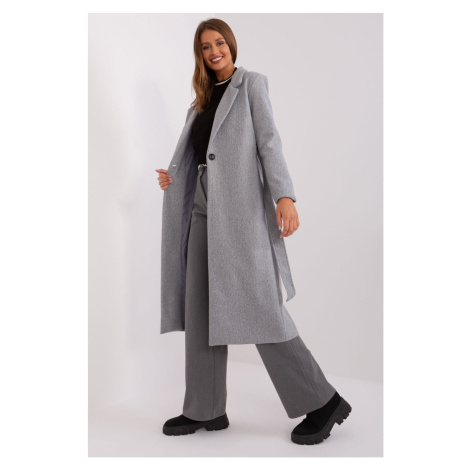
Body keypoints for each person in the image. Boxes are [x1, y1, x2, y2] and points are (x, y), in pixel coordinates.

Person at [155, 18, 351, 445]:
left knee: (261, 308)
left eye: (219, 43)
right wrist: (174, 177)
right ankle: (205, 408)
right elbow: (200, 156)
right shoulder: (199, 101)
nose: (213, 51)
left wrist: (285, 195)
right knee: (201, 307)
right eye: (205, 46)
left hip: (240, 212)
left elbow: (269, 143)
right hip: (200, 207)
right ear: (199, 54)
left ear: (231, 44)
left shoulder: (251, 86)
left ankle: (322, 400)